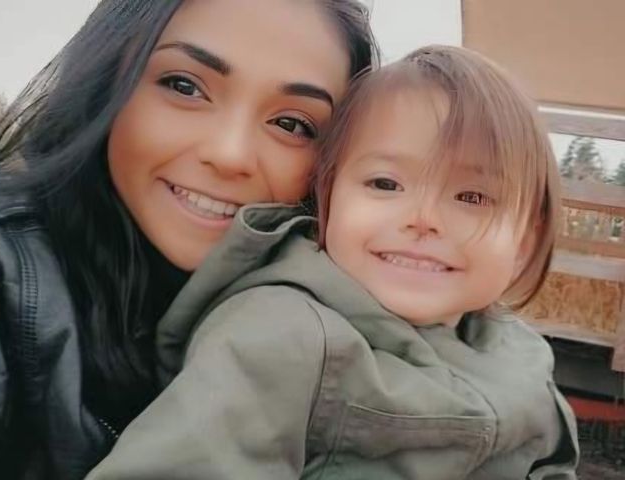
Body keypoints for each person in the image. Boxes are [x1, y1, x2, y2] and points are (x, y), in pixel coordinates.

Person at [0, 0, 377, 478]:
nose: (230, 154)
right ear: (105, 81)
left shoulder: (349, 328)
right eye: (185, 86)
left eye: (292, 124)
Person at [86, 45, 580, 480]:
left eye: (472, 197)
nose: (424, 219)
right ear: (327, 199)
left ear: (524, 242)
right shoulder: (282, 335)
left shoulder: (522, 353)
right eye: (385, 183)